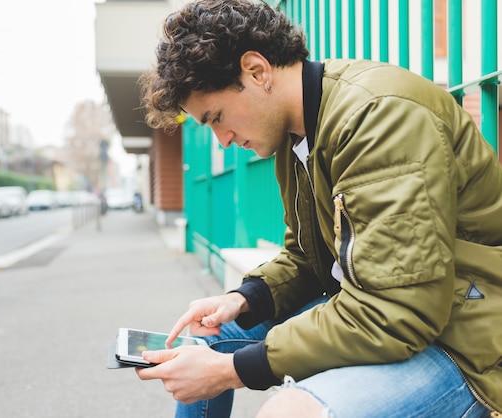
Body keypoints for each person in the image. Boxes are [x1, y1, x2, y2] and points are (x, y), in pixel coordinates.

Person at [135, 0, 502, 416]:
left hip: (465, 341)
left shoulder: (378, 116)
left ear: (257, 71)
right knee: (206, 338)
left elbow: (396, 310)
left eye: (217, 117)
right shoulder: (296, 135)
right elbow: (309, 257)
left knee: (288, 412)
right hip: (380, 308)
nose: (222, 140)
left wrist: (232, 370)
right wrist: (246, 297)